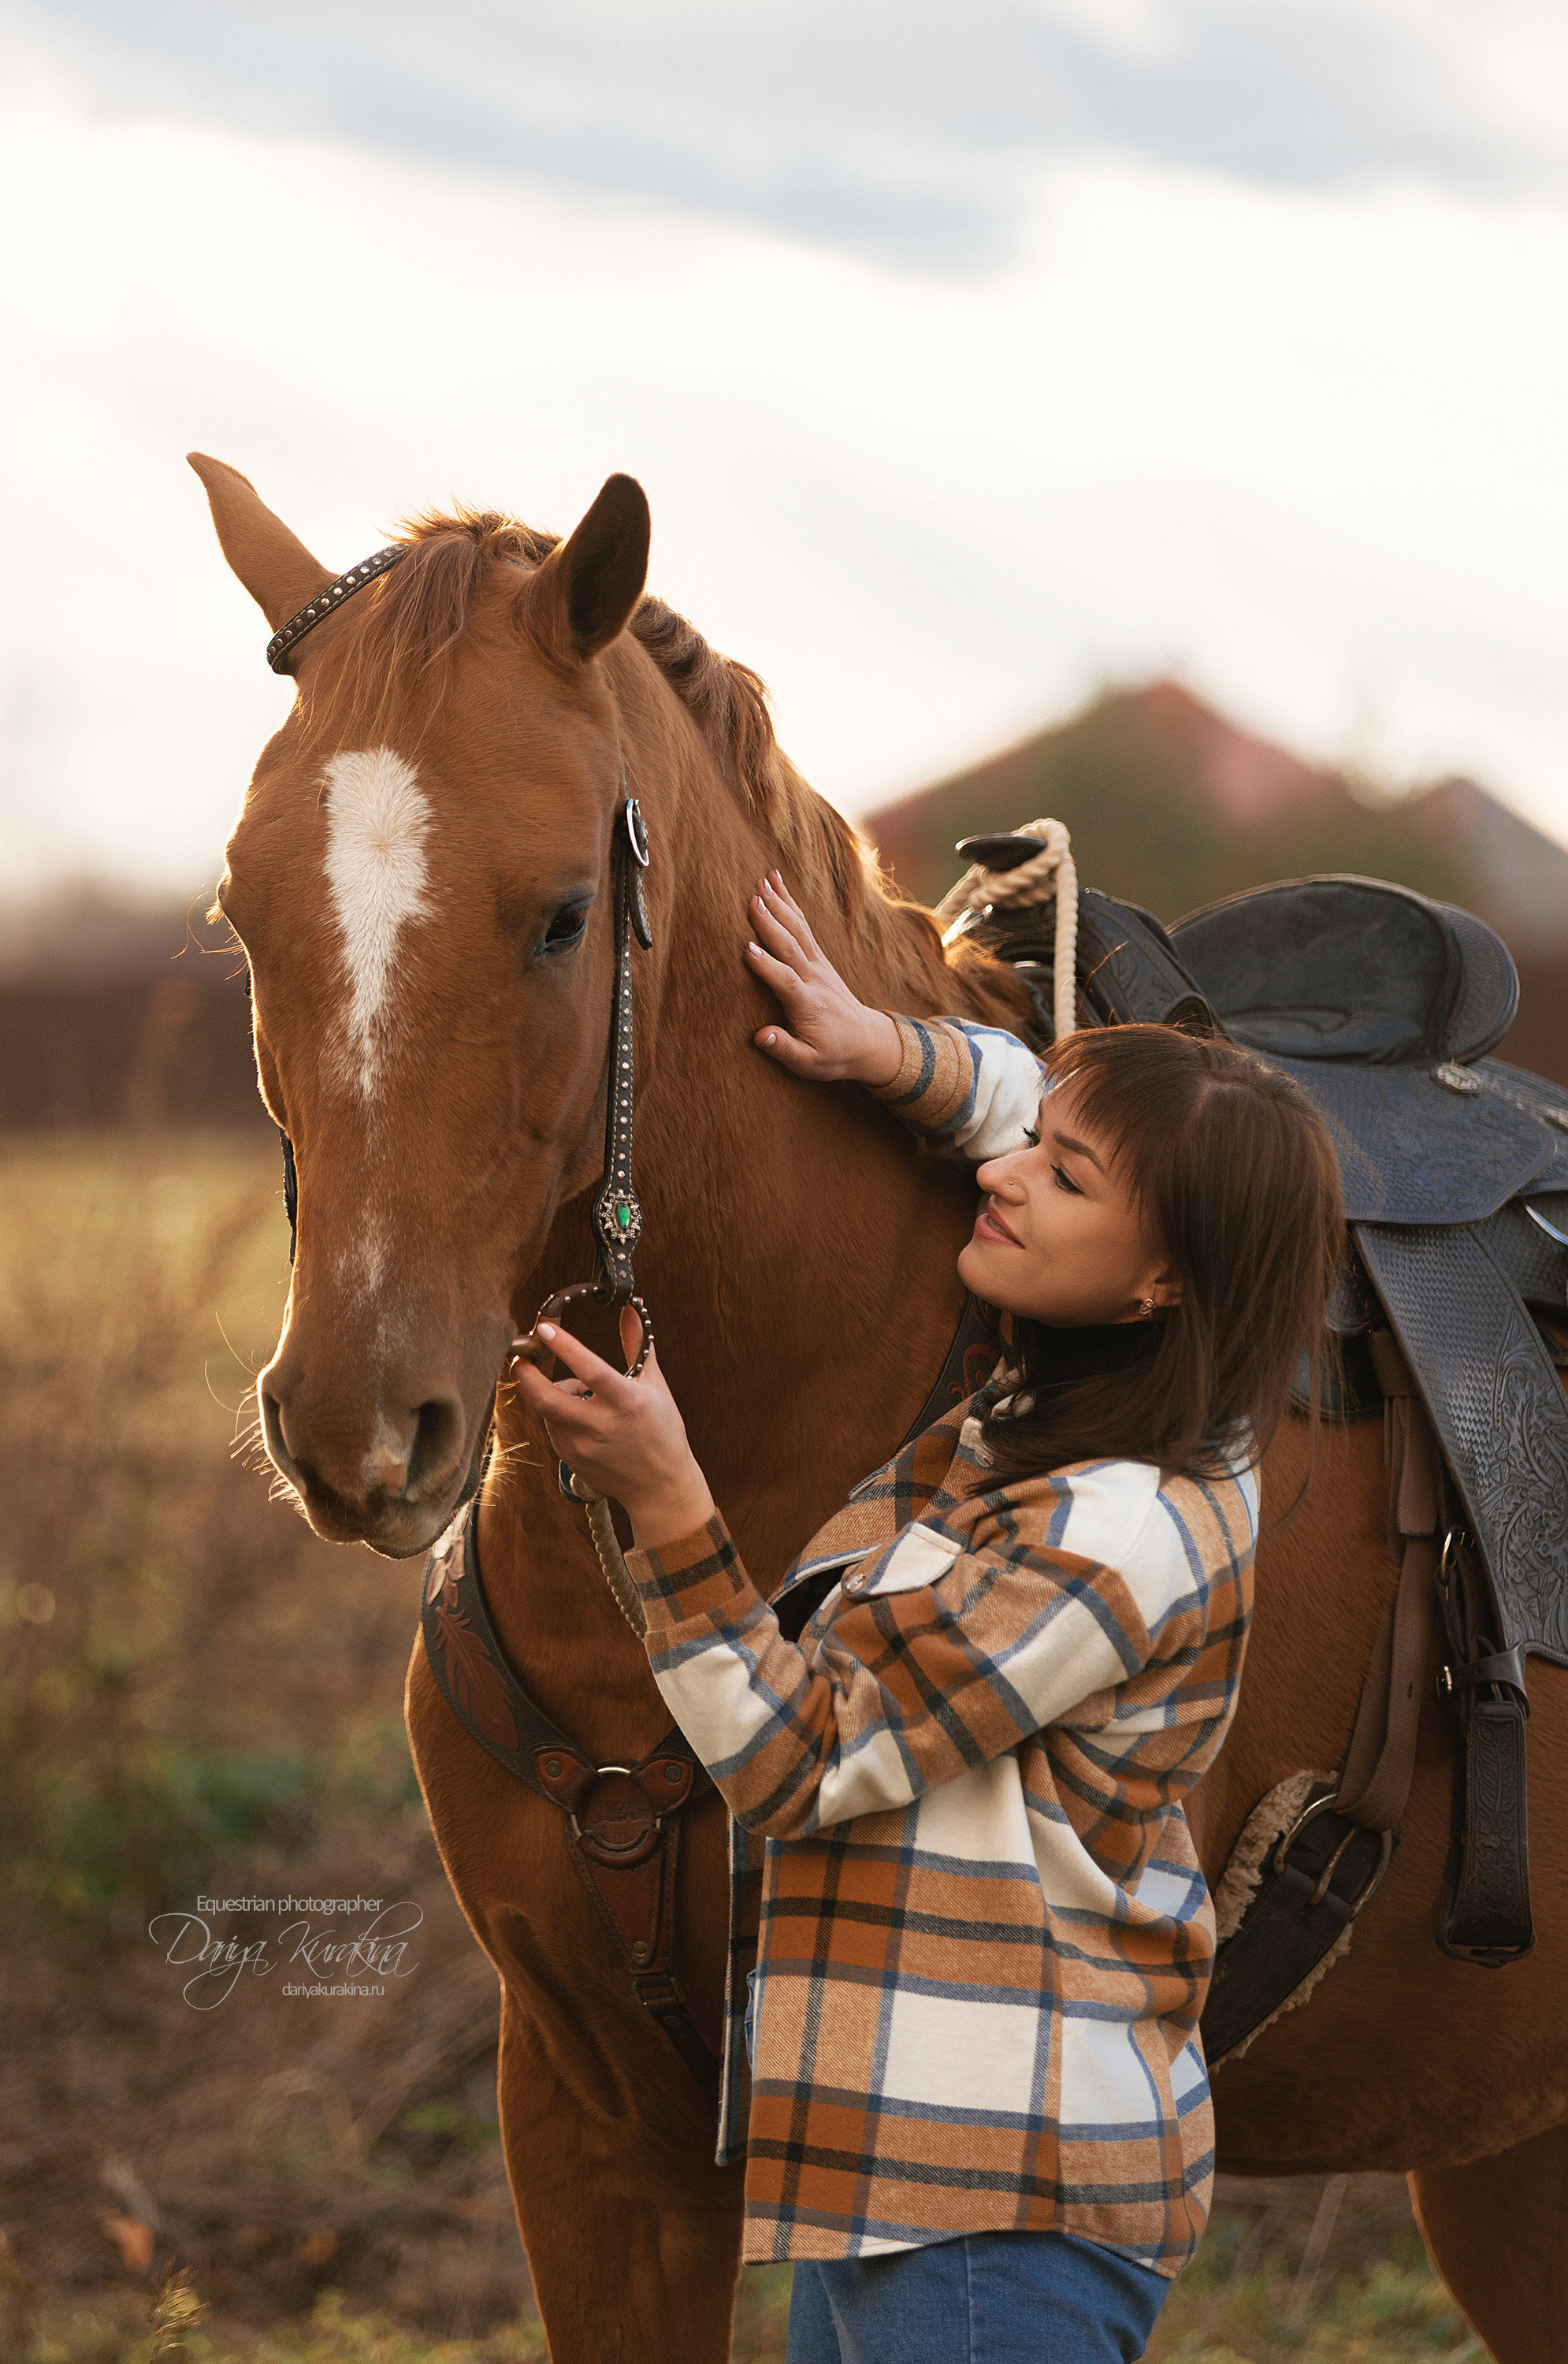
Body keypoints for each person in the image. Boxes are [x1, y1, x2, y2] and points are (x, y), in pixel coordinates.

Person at [513, 873, 1346, 2364]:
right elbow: (1034, 1101)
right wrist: (886, 1049)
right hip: (889, 2174)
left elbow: (798, 1757)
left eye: (1066, 1182)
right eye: (1031, 1150)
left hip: (996, 2205)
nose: (1009, 1175)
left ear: (1161, 1281)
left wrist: (665, 1496)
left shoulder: (1116, 1530)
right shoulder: (1074, 1402)